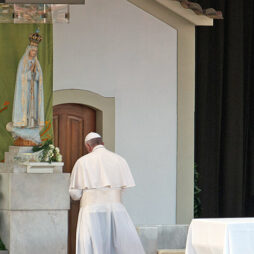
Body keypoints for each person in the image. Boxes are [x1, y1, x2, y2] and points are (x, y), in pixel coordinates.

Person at [69, 132, 145, 254]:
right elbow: (124, 188)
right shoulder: (119, 159)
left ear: (88, 147)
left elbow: (75, 194)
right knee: (119, 246)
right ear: (102, 143)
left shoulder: (82, 162)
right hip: (116, 210)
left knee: (93, 246)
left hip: (91, 211)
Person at [9, 30, 44, 144]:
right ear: (29, 50)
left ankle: (32, 127)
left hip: (33, 93)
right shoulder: (23, 62)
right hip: (25, 93)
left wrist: (36, 74)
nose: (34, 53)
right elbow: (21, 77)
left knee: (33, 110)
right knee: (26, 109)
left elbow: (40, 78)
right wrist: (30, 73)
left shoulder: (36, 63)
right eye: (33, 50)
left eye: (36, 51)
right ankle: (23, 128)